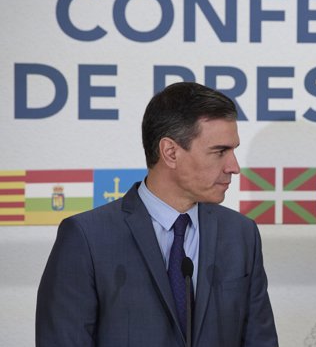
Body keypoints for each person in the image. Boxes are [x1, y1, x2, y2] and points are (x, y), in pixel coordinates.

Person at [36, 82, 279, 347]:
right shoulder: (87, 237)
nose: (233, 167)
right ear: (171, 152)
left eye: (233, 150)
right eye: (220, 151)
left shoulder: (241, 234)